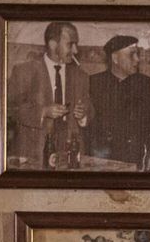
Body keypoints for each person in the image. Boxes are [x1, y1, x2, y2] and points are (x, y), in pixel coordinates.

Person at [6, 21, 90, 170]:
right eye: (70, 44)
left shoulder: (81, 76)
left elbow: (90, 108)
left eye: (76, 44)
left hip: (70, 157)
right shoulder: (24, 72)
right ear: (52, 44)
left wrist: (83, 115)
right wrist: (43, 112)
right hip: (33, 156)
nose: (75, 50)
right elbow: (9, 108)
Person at [86, 34, 150, 168]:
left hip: (134, 157)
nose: (137, 59)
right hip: (102, 159)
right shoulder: (94, 83)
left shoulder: (144, 83)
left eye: (137, 54)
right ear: (115, 58)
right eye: (131, 55)